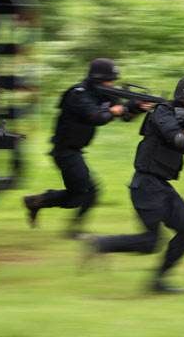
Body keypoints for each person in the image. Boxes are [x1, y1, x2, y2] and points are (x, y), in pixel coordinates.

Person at [83, 76, 184, 293]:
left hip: (161, 185)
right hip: (146, 184)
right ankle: (101, 244)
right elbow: (179, 139)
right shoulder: (163, 112)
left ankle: (158, 282)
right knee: (151, 242)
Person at [23, 58, 150, 238]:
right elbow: (96, 117)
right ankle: (68, 227)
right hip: (64, 151)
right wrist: (116, 110)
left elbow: (125, 116)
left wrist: (137, 107)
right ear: (97, 79)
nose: (112, 84)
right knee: (87, 193)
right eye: (109, 80)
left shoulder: (104, 94)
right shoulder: (78, 94)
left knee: (79, 195)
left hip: (74, 150)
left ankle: (37, 201)